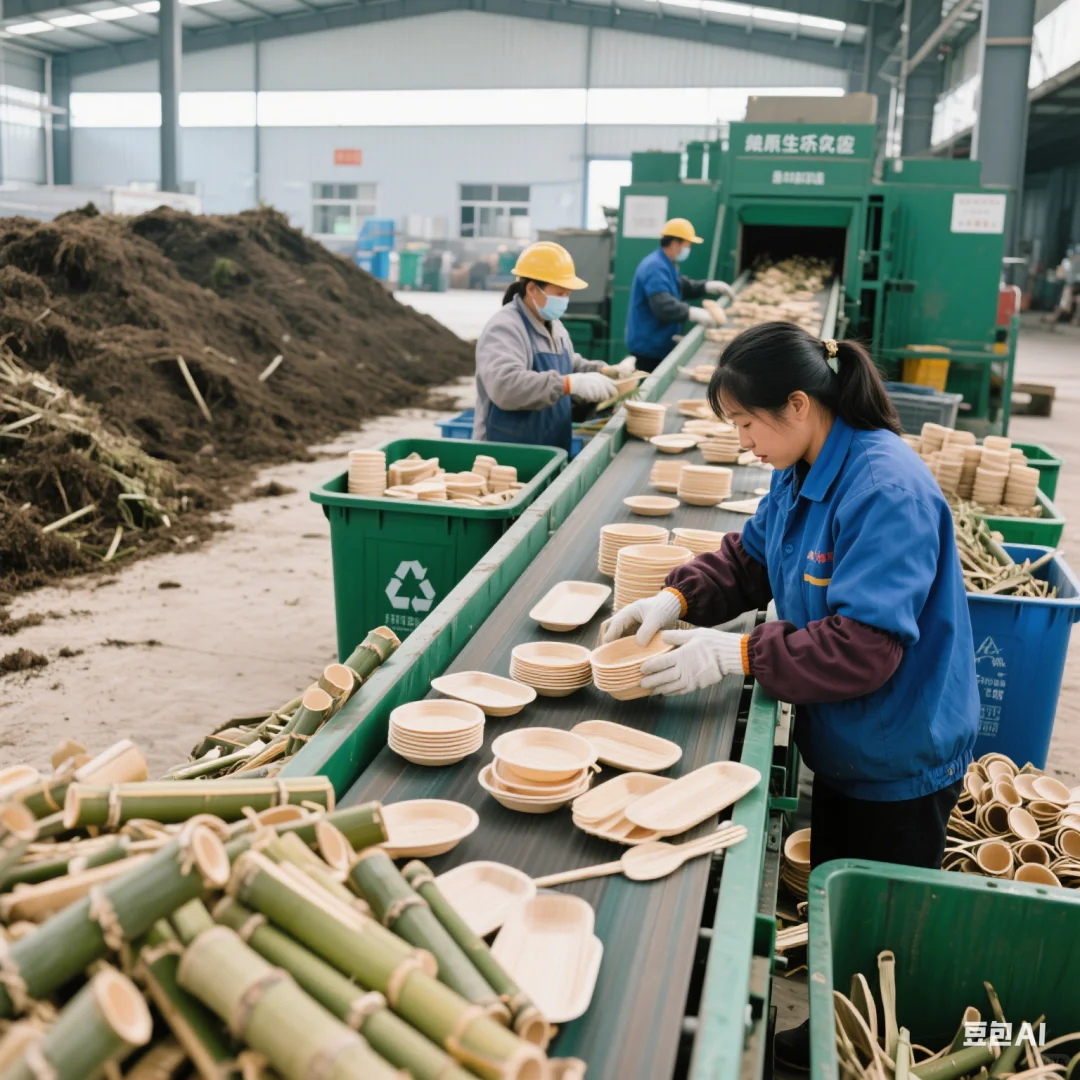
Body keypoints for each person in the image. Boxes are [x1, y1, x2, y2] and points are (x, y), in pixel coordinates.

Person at [602, 321, 978, 1069]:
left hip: (899, 751)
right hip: (850, 739)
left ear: (798, 404)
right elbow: (752, 558)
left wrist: (739, 653)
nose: (742, 442)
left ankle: (855, 1051)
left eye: (745, 423)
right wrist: (678, 599)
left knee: (881, 944)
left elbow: (866, 648)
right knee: (840, 909)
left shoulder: (884, 488)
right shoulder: (802, 470)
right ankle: (823, 1041)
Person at [473, 241, 630, 452]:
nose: (564, 300)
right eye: (559, 293)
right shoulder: (505, 327)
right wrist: (566, 384)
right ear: (531, 289)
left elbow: (569, 363)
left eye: (567, 294)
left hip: (549, 447)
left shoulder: (553, 325)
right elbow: (505, 386)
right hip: (506, 452)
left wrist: (603, 371)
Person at [625, 218, 735, 373]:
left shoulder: (666, 264)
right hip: (649, 347)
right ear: (675, 244)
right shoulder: (654, 267)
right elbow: (663, 306)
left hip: (659, 342)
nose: (688, 248)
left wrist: (706, 286)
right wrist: (692, 312)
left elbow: (680, 285)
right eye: (687, 244)